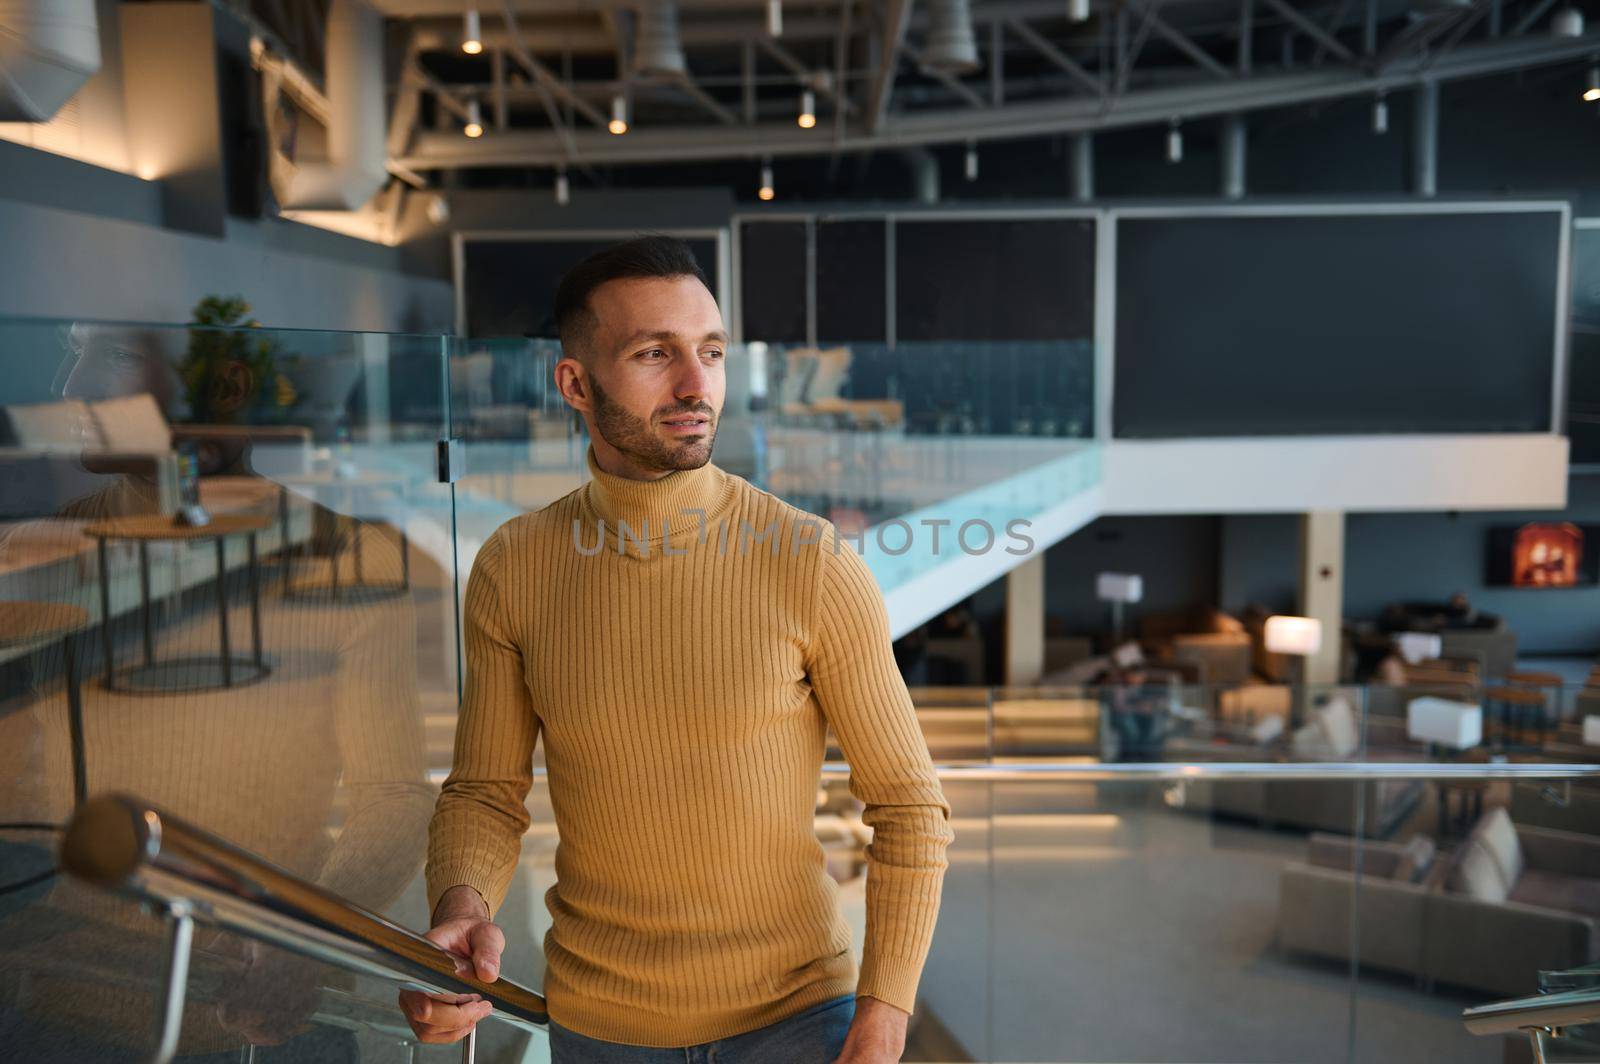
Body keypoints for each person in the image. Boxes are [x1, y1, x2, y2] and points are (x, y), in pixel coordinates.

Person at [402, 237, 953, 1063]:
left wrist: (883, 1020)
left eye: (712, 352)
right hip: (599, 1028)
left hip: (801, 1019)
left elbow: (911, 811)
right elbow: (485, 791)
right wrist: (462, 904)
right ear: (575, 384)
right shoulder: (514, 567)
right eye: (655, 354)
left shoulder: (812, 561)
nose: (698, 386)